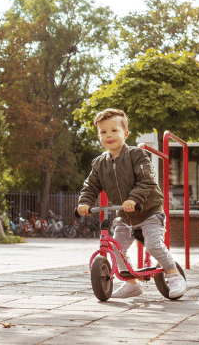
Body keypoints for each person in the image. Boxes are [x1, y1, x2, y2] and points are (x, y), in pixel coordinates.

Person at [77, 108, 186, 300]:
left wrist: (134, 199)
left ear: (125, 133)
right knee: (116, 248)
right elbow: (90, 186)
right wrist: (85, 202)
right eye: (103, 132)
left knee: (153, 245)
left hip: (148, 212)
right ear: (98, 136)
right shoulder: (99, 163)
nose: (108, 135)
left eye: (114, 130)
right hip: (124, 217)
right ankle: (131, 284)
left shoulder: (137, 155)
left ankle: (173, 275)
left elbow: (147, 181)